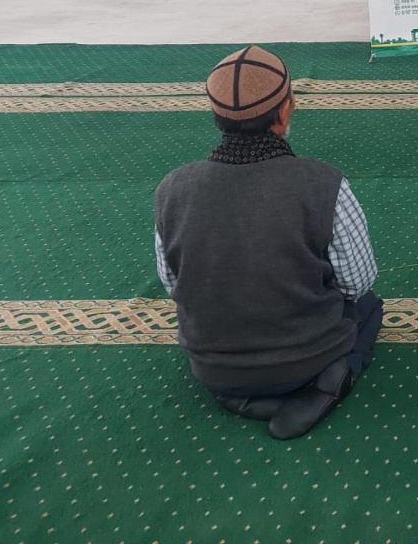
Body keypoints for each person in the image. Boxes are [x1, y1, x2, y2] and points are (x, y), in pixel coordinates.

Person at [154, 46, 382, 440]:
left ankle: (237, 398)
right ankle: (330, 383)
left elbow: (173, 284)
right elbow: (356, 283)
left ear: (216, 116)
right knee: (369, 306)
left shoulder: (173, 187)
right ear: (285, 110)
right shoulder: (324, 183)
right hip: (307, 359)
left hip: (214, 368)